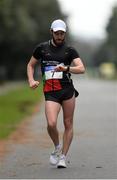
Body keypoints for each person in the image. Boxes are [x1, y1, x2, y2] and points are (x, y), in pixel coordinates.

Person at [27, 19, 85, 168]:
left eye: (62, 33)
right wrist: (31, 80)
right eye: (57, 33)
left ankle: (63, 157)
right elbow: (31, 64)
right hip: (51, 91)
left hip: (67, 90)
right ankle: (57, 147)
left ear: (65, 33)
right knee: (51, 123)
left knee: (68, 123)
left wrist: (66, 68)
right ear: (51, 32)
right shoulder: (42, 48)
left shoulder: (69, 50)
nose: (59, 36)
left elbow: (81, 68)